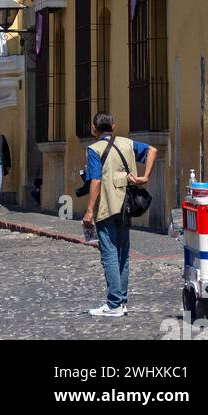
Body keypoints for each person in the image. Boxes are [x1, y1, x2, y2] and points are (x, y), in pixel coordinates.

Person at [82, 111, 157, 317]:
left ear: (94, 129)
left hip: (108, 206)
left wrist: (89, 210)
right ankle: (121, 301)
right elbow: (152, 150)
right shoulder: (127, 143)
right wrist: (145, 177)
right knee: (123, 254)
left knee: (109, 254)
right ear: (113, 126)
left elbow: (96, 180)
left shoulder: (94, 149)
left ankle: (114, 304)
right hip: (128, 204)